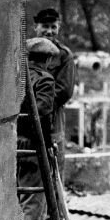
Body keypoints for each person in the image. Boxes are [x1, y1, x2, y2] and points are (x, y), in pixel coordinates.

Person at [17, 38, 59, 220]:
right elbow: (41, 110)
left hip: (14, 143)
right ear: (49, 59)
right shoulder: (45, 79)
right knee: (34, 205)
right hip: (35, 146)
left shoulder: (16, 78)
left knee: (16, 199)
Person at [33, 8, 74, 151]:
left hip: (52, 121)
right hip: (24, 120)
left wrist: (39, 107)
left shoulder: (63, 55)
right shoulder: (24, 50)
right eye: (45, 26)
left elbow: (64, 91)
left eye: (53, 27)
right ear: (35, 26)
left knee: (53, 165)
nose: (49, 31)